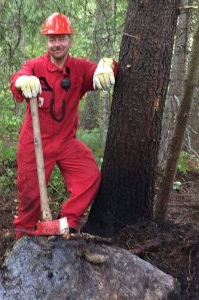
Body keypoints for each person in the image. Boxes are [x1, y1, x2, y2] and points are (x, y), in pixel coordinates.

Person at [10, 13, 118, 240]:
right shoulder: (35, 66)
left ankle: (66, 224)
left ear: (70, 40)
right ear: (46, 41)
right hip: (35, 142)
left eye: (62, 38)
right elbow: (18, 78)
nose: (57, 44)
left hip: (66, 141)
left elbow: (101, 71)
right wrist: (21, 81)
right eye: (52, 39)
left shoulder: (78, 68)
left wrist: (108, 65)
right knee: (30, 197)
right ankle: (23, 241)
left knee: (89, 177)